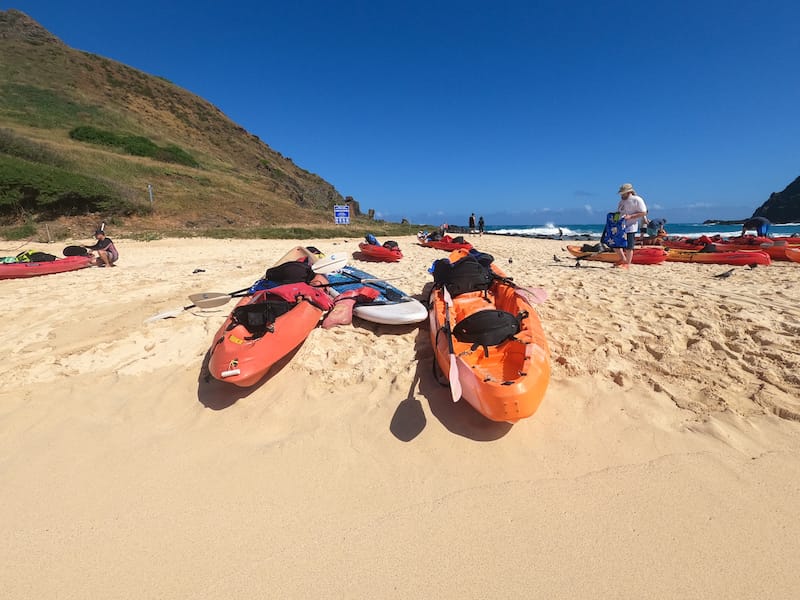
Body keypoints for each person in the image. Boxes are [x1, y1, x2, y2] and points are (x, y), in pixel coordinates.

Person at [614, 183, 648, 268]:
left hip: (631, 226)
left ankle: (627, 263)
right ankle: (622, 258)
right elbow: (618, 212)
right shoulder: (621, 201)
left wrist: (631, 216)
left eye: (623, 193)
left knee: (629, 246)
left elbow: (644, 212)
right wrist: (614, 220)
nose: (621, 195)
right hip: (620, 226)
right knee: (614, 244)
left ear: (629, 192)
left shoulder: (637, 199)